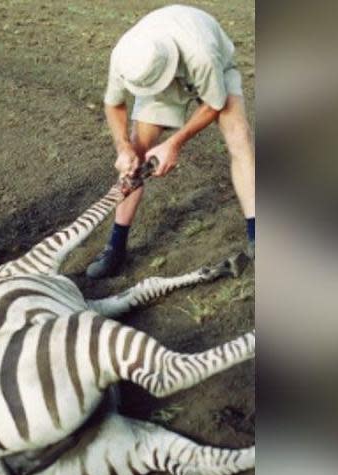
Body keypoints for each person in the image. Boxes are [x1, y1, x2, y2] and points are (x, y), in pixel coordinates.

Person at [87, 4, 256, 279]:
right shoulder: (126, 57)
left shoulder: (201, 53)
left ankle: (257, 233)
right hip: (161, 75)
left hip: (214, 67)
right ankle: (115, 246)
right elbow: (113, 103)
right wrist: (123, 147)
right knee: (135, 155)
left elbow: (214, 103)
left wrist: (174, 143)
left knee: (239, 136)